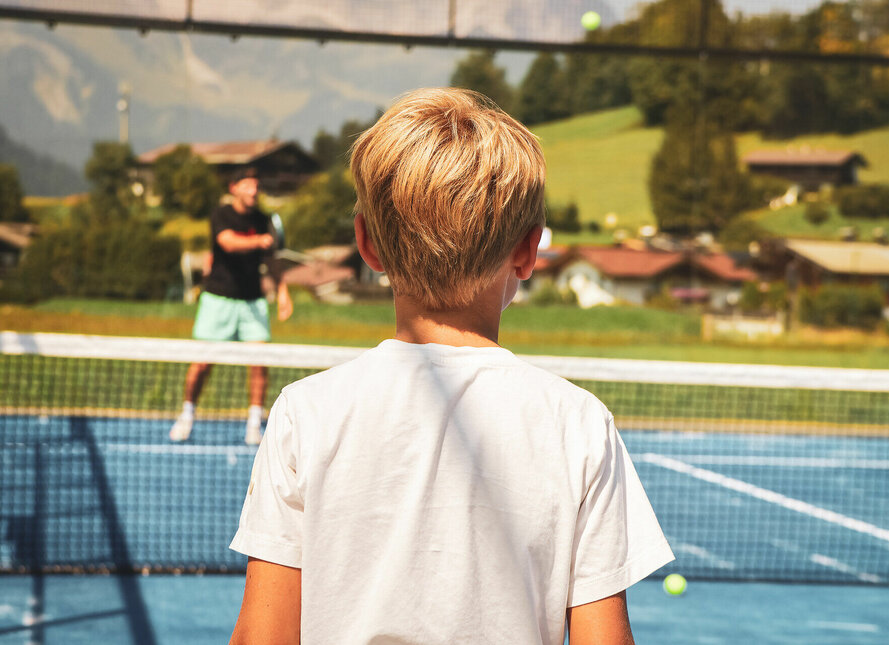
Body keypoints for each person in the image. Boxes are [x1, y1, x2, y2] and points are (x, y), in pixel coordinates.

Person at [228, 88, 673, 644]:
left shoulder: (304, 412)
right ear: (529, 251)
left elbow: (261, 636)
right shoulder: (580, 423)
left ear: (366, 244)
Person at [169, 168, 293, 446]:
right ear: (234, 187)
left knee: (260, 364)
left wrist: (283, 291)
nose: (253, 190)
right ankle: (187, 415)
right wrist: (260, 241)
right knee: (202, 363)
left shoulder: (263, 220)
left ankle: (253, 424)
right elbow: (228, 242)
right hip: (218, 298)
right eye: (247, 184)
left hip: (252, 301)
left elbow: (273, 261)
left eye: (256, 185)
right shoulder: (221, 215)